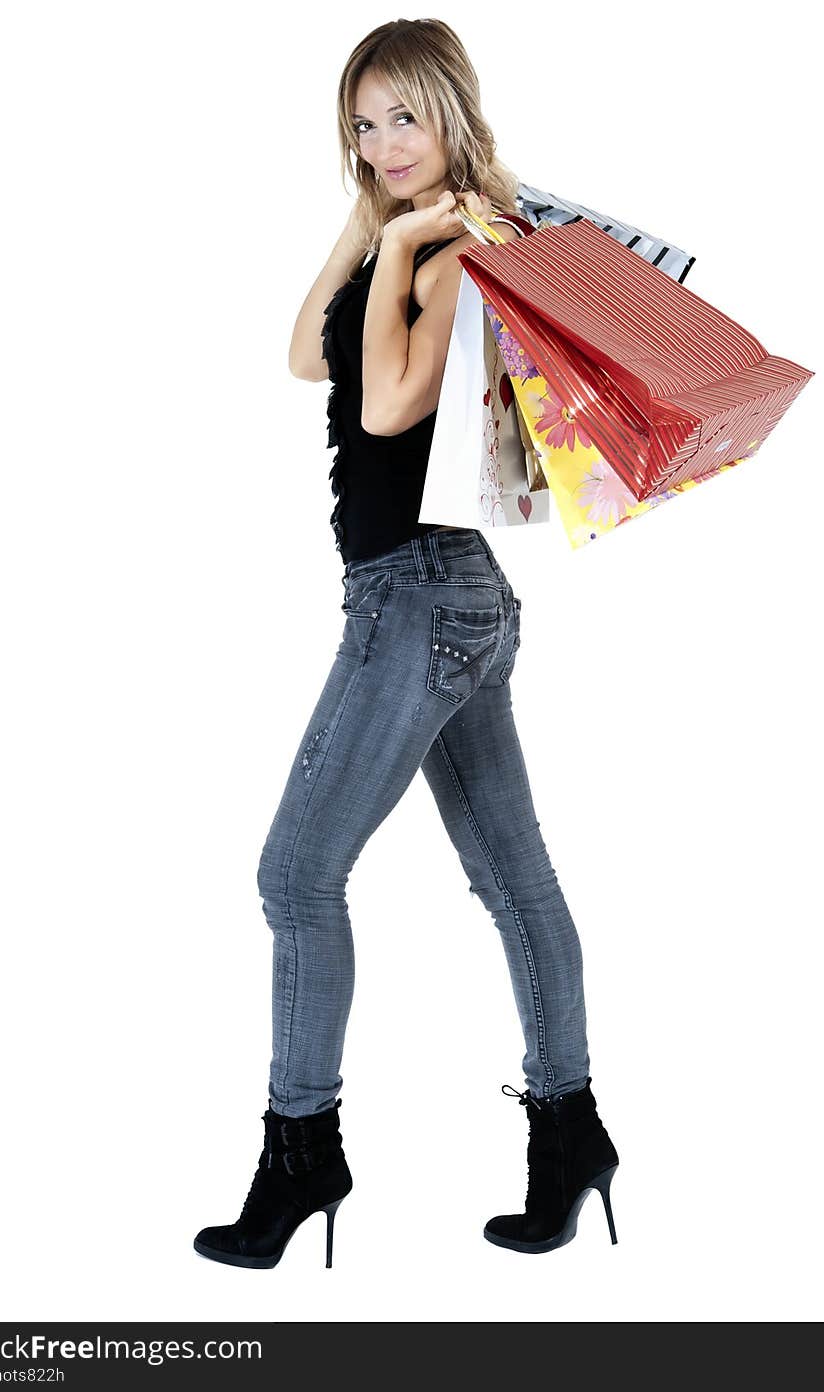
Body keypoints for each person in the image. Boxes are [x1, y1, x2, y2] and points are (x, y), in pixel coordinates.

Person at [194, 18, 618, 1271]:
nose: (381, 143)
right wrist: (372, 226)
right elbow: (297, 357)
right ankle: (572, 1133)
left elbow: (386, 402)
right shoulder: (416, 235)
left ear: (450, 114)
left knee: (293, 877)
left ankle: (301, 1154)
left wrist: (403, 246)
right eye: (363, 122)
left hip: (416, 601)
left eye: (402, 119)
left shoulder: (461, 255)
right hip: (449, 602)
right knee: (516, 885)